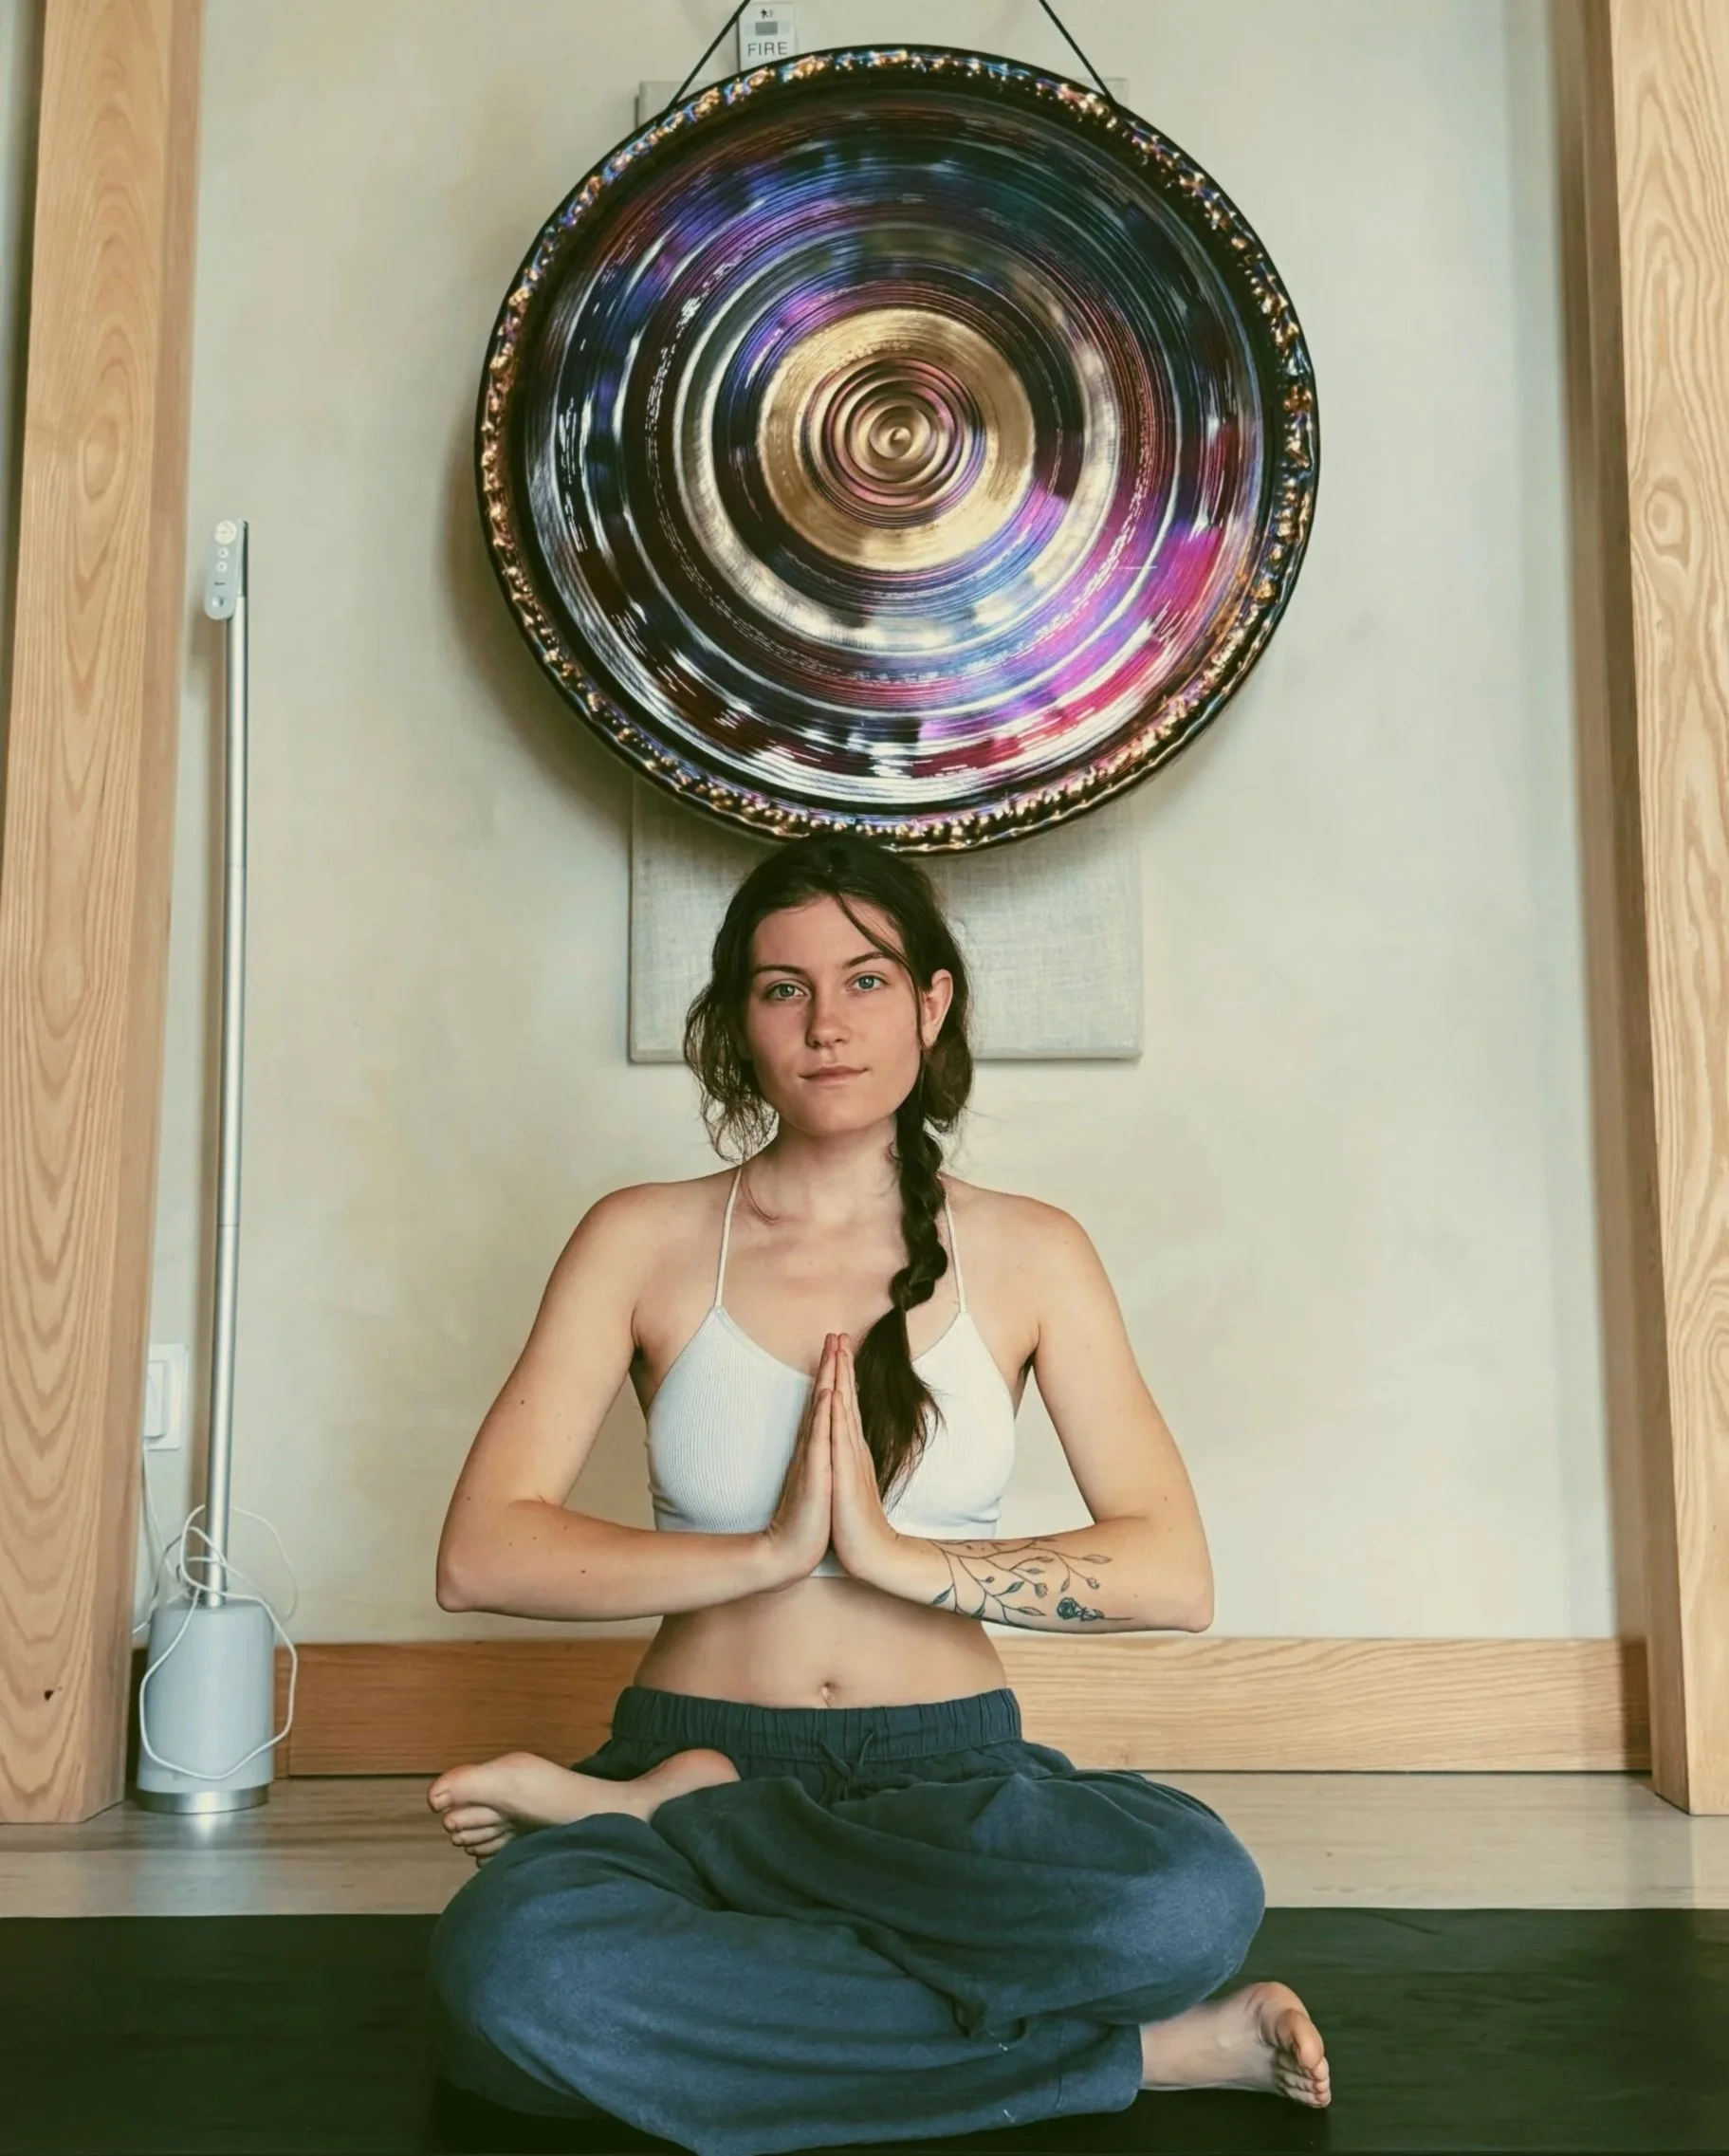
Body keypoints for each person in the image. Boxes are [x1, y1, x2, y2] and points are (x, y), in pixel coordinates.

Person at [424, 834, 1331, 2156]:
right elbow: (483, 1555)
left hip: (946, 1778)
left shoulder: (1032, 1251)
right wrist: (773, 1551)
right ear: (740, 1019)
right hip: (701, 1726)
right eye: (781, 988)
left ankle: (703, 1832)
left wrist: (896, 1559)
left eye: (862, 979)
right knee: (515, 1985)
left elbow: (1169, 1572)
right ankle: (1132, 2056)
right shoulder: (644, 1237)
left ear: (932, 1003)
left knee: (1182, 1902)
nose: (825, 1022)